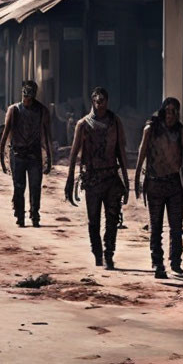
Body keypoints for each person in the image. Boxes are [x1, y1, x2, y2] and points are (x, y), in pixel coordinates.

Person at [135, 97, 183, 279]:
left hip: (173, 184)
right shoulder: (151, 129)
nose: (170, 115)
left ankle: (176, 262)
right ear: (163, 111)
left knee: (176, 226)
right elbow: (141, 154)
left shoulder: (179, 131)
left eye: (174, 111)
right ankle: (157, 263)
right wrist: (136, 179)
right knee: (155, 227)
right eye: (168, 111)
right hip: (155, 183)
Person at [65, 87, 129, 269]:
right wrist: (70, 180)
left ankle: (109, 254)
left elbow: (121, 152)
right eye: (97, 101)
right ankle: (97, 254)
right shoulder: (83, 124)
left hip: (110, 177)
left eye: (103, 101)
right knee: (94, 220)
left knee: (112, 220)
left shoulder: (115, 122)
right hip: (92, 179)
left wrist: (125, 180)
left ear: (107, 102)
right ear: (92, 101)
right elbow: (74, 152)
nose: (100, 105)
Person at [0, 80, 53, 228]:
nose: (27, 97)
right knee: (19, 187)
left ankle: (35, 215)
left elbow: (47, 136)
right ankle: (20, 216)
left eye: (30, 94)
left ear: (35, 94)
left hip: (34, 154)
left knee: (35, 186)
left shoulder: (42, 111)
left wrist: (49, 158)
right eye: (25, 93)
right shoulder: (14, 110)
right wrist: (2, 159)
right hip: (17, 153)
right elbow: (5, 135)